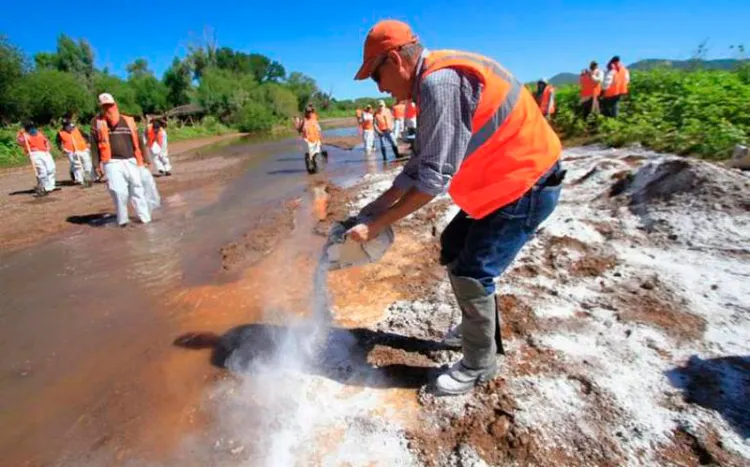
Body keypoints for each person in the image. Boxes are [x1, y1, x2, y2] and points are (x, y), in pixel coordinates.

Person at [350, 20, 563, 395]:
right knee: (453, 245)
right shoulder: (432, 80)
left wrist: (377, 225)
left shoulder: (439, 83)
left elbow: (432, 180)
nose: (380, 87)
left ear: (396, 59)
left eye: (376, 76)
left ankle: (480, 363)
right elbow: (419, 162)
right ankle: (475, 329)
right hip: (504, 181)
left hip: (525, 183)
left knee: (472, 271)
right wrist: (375, 207)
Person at [90, 93, 151, 226]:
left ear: (115, 105)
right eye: (104, 106)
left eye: (110, 106)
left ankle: (145, 218)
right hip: (111, 162)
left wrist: (146, 158)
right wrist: (96, 164)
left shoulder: (127, 120)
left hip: (131, 160)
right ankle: (123, 221)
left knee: (137, 189)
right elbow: (94, 145)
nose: (108, 109)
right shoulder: (97, 122)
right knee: (118, 192)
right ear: (101, 107)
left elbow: (139, 140)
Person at [17, 122, 56, 195]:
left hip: (45, 152)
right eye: (29, 127)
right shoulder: (24, 135)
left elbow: (45, 141)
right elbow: (19, 142)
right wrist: (20, 134)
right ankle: (43, 187)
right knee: (42, 171)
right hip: (34, 153)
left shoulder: (39, 133)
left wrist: (48, 148)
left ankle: (50, 186)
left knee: (51, 169)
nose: (32, 129)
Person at [56, 118, 93, 186]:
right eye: (66, 126)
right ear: (64, 126)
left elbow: (85, 135)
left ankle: (88, 178)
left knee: (87, 164)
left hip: (83, 149)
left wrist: (88, 142)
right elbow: (58, 142)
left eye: (68, 125)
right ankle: (80, 180)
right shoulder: (60, 133)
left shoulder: (76, 129)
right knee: (77, 166)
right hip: (71, 151)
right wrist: (61, 149)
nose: (68, 127)